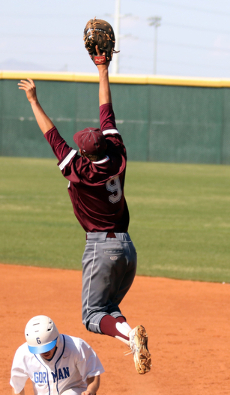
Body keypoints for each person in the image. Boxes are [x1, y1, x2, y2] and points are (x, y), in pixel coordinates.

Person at [18, 48, 151, 375]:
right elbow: (107, 110)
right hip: (127, 248)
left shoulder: (82, 170)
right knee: (108, 309)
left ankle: (131, 337)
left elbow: (53, 136)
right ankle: (128, 334)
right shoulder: (117, 154)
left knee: (92, 316)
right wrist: (103, 67)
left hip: (102, 249)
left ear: (86, 154)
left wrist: (34, 101)